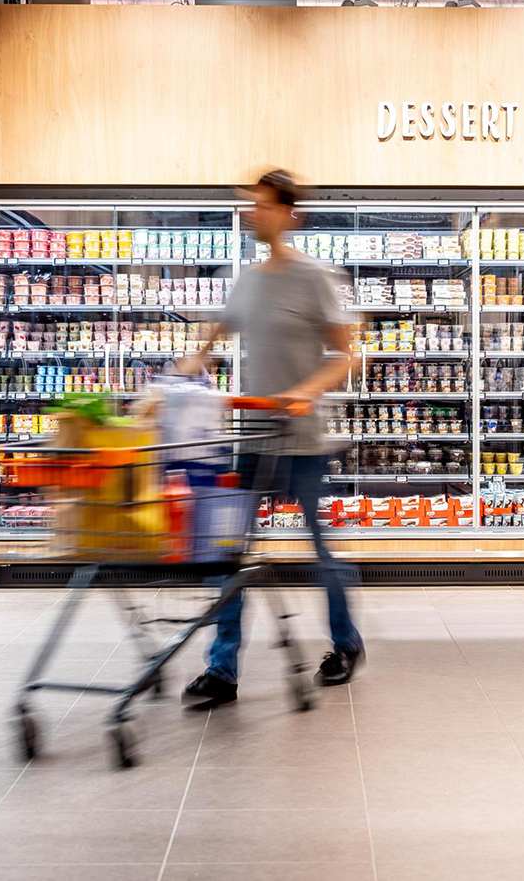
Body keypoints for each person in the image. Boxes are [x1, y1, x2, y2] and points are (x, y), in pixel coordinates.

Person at [181, 169, 365, 708]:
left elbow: (348, 355)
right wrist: (197, 359)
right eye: (250, 205)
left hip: (303, 441)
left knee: (321, 552)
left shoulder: (316, 277)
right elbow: (221, 327)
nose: (252, 214)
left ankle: (346, 644)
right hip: (254, 438)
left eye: (261, 205)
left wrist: (305, 391)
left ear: (288, 214)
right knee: (228, 551)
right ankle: (222, 669)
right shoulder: (249, 280)